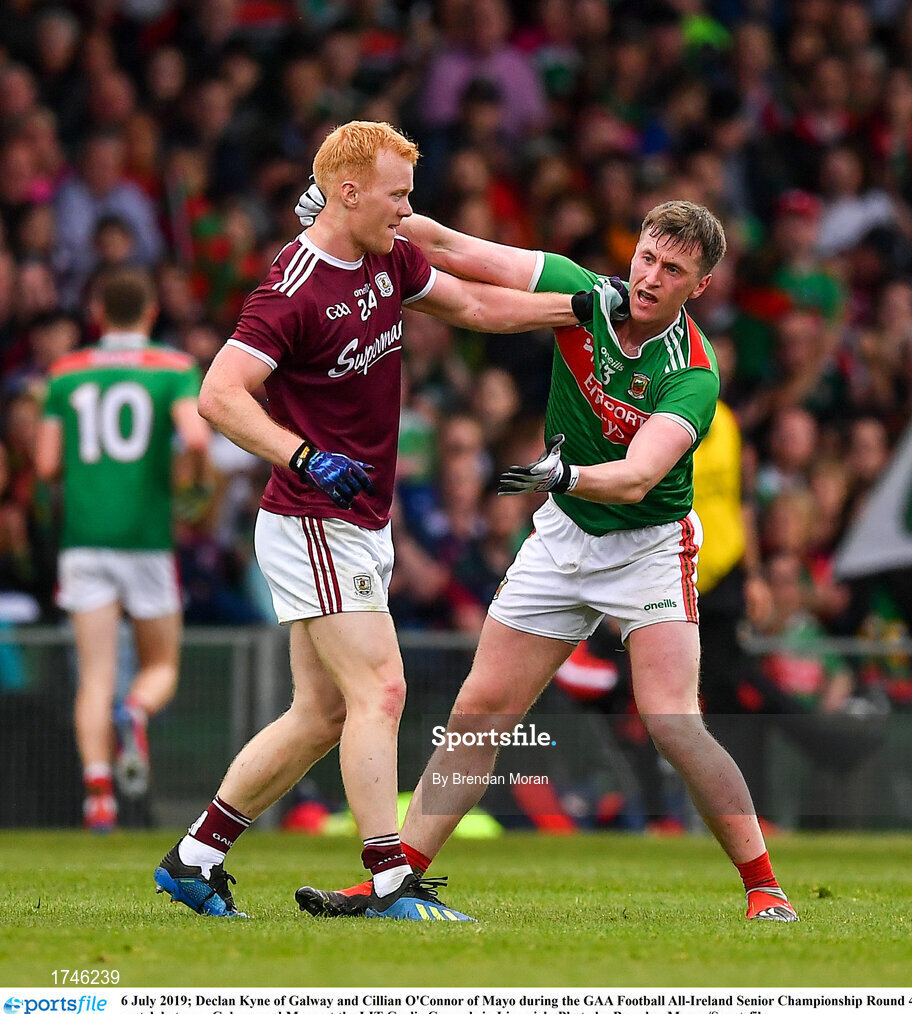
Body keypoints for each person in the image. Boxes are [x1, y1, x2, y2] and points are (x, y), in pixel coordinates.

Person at [152, 120, 620, 919]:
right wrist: (301, 456)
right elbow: (219, 394)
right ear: (348, 190)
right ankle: (390, 881)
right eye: (397, 195)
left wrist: (574, 307)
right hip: (313, 516)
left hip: (357, 518)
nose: (408, 210)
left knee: (320, 713)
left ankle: (193, 858)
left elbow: (471, 304)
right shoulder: (293, 288)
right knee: (383, 691)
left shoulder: (387, 254)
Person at [294, 184, 799, 922]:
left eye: (672, 272)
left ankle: (764, 888)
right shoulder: (581, 293)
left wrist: (564, 473)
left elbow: (635, 480)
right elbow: (450, 248)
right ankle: (392, 883)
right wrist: (353, 215)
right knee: (477, 711)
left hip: (647, 548)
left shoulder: (691, 371)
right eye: (647, 258)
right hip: (562, 534)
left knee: (671, 722)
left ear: (702, 287)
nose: (651, 279)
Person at [34, 267, 212, 832]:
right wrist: (193, 481)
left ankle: (99, 797)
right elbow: (198, 435)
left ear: (97, 314)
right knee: (159, 665)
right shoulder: (174, 369)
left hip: (83, 542)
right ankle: (135, 712)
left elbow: (45, 464)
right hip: (145, 541)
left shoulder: (64, 374)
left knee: (94, 675)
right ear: (152, 312)